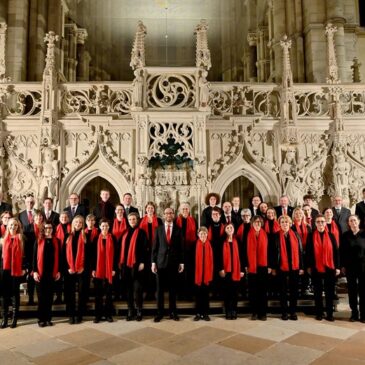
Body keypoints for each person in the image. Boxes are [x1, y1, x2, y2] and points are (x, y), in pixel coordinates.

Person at [151, 207, 184, 322]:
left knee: (172, 290)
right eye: (166, 213)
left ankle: (173, 312)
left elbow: (181, 248)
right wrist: (153, 262)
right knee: (159, 290)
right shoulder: (158, 229)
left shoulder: (178, 229)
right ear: (163, 215)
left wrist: (182, 262)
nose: (169, 215)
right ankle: (159, 313)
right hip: (160, 264)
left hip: (174, 263)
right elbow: (155, 248)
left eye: (170, 213)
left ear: (173, 215)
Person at [306, 214, 340, 321]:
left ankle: (329, 313)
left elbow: (336, 252)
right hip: (316, 267)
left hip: (329, 267)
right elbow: (308, 253)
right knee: (317, 292)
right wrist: (308, 266)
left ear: (325, 223)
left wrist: (337, 267)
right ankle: (319, 313)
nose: (320, 224)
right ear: (315, 224)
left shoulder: (331, 236)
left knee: (330, 292)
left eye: (322, 222)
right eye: (318, 222)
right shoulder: (311, 236)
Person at [274, 216, 304, 320]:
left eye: (287, 222)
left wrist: (301, 267)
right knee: (282, 291)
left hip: (294, 267)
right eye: (282, 222)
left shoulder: (296, 235)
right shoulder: (276, 236)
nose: (285, 224)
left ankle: (293, 312)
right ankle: (284, 312)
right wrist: (273, 267)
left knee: (294, 291)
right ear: (279, 224)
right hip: (281, 267)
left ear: (290, 223)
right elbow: (272, 254)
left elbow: (300, 252)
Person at [243, 215, 272, 321]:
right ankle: (254, 312)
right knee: (253, 291)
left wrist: (269, 265)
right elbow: (243, 250)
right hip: (251, 266)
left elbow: (270, 251)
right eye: (255, 222)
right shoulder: (247, 234)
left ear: (262, 223)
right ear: (252, 223)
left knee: (263, 290)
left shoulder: (266, 234)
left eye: (259, 222)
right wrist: (245, 265)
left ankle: (263, 313)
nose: (257, 223)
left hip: (263, 266)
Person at [120, 213, 147, 321]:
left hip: (137, 265)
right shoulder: (125, 233)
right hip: (126, 266)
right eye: (130, 219)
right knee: (128, 290)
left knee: (137, 290)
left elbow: (145, 249)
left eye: (134, 219)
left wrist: (143, 262)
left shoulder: (141, 233)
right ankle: (130, 310)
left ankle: (139, 310)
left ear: (137, 220)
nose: (132, 221)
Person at [33, 223, 60, 327]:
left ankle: (48, 318)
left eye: (50, 227)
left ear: (53, 229)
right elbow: (34, 258)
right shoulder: (38, 240)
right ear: (43, 229)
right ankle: (41, 319)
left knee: (49, 297)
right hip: (40, 273)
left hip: (52, 273)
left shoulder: (57, 241)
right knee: (41, 298)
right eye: (46, 228)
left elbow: (60, 257)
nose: (48, 229)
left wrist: (59, 271)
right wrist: (34, 271)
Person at [0, 218, 25, 328]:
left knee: (15, 295)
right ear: (7, 226)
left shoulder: (22, 239)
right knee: (4, 296)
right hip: (4, 271)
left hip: (16, 271)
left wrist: (25, 269)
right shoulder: (2, 240)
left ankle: (14, 319)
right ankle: (4, 319)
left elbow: (26, 256)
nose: (12, 227)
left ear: (18, 226)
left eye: (15, 225)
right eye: (10, 225)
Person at [340, 215, 365, 322]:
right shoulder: (345, 235)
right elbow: (342, 252)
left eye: (355, 220)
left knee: (363, 291)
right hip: (350, 267)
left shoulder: (364, 234)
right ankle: (354, 313)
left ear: (358, 222)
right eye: (351, 221)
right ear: (348, 223)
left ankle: (364, 314)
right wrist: (342, 266)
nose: (353, 222)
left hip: (363, 267)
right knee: (352, 291)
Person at [63, 215, 88, 324]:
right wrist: (68, 268)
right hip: (70, 269)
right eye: (76, 222)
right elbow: (63, 254)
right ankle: (71, 314)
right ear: (73, 223)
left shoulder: (85, 236)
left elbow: (89, 254)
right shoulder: (67, 236)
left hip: (82, 270)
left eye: (80, 222)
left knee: (82, 292)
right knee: (70, 293)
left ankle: (80, 314)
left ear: (83, 225)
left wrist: (83, 267)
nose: (78, 224)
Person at [92, 219, 117, 323]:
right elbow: (92, 256)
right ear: (99, 227)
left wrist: (114, 268)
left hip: (109, 269)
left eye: (106, 226)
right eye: (102, 226)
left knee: (108, 293)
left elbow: (117, 254)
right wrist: (93, 269)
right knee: (98, 293)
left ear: (109, 227)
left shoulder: (113, 238)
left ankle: (108, 315)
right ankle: (98, 315)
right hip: (98, 269)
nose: (104, 228)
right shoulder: (95, 239)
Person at [218, 223, 244, 320]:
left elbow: (242, 256)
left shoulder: (238, 240)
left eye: (231, 227)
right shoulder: (221, 241)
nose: (229, 229)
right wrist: (220, 268)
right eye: (227, 228)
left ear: (234, 229)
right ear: (225, 230)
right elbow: (218, 256)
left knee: (235, 292)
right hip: (226, 271)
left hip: (236, 270)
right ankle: (228, 311)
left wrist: (242, 270)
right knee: (227, 292)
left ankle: (234, 310)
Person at [139, 201, 162, 300]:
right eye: (148, 208)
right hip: (144, 249)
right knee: (146, 272)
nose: (150, 209)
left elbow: (162, 235)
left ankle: (153, 292)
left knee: (155, 271)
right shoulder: (141, 220)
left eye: (152, 208)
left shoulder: (159, 220)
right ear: (145, 209)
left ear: (154, 209)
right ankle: (147, 292)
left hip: (156, 248)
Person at [176, 202, 197, 300]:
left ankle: (189, 293)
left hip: (190, 249)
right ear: (180, 210)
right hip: (179, 249)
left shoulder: (193, 220)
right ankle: (180, 294)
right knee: (180, 272)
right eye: (183, 209)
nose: (185, 210)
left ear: (189, 210)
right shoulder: (176, 221)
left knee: (190, 272)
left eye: (186, 209)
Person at [194, 227, 213, 321]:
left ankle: (205, 313)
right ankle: (198, 313)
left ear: (207, 234)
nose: (203, 235)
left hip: (206, 275)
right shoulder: (194, 245)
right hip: (197, 275)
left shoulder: (210, 245)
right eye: (201, 234)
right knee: (198, 295)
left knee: (206, 295)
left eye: (205, 234)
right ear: (198, 235)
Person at [54, 212, 71, 304]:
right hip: (59, 255)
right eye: (62, 217)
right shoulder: (56, 228)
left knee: (68, 278)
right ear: (59, 218)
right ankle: (59, 296)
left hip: (68, 256)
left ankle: (67, 297)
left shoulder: (71, 227)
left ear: (68, 218)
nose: (64, 218)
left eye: (65, 217)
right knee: (58, 278)